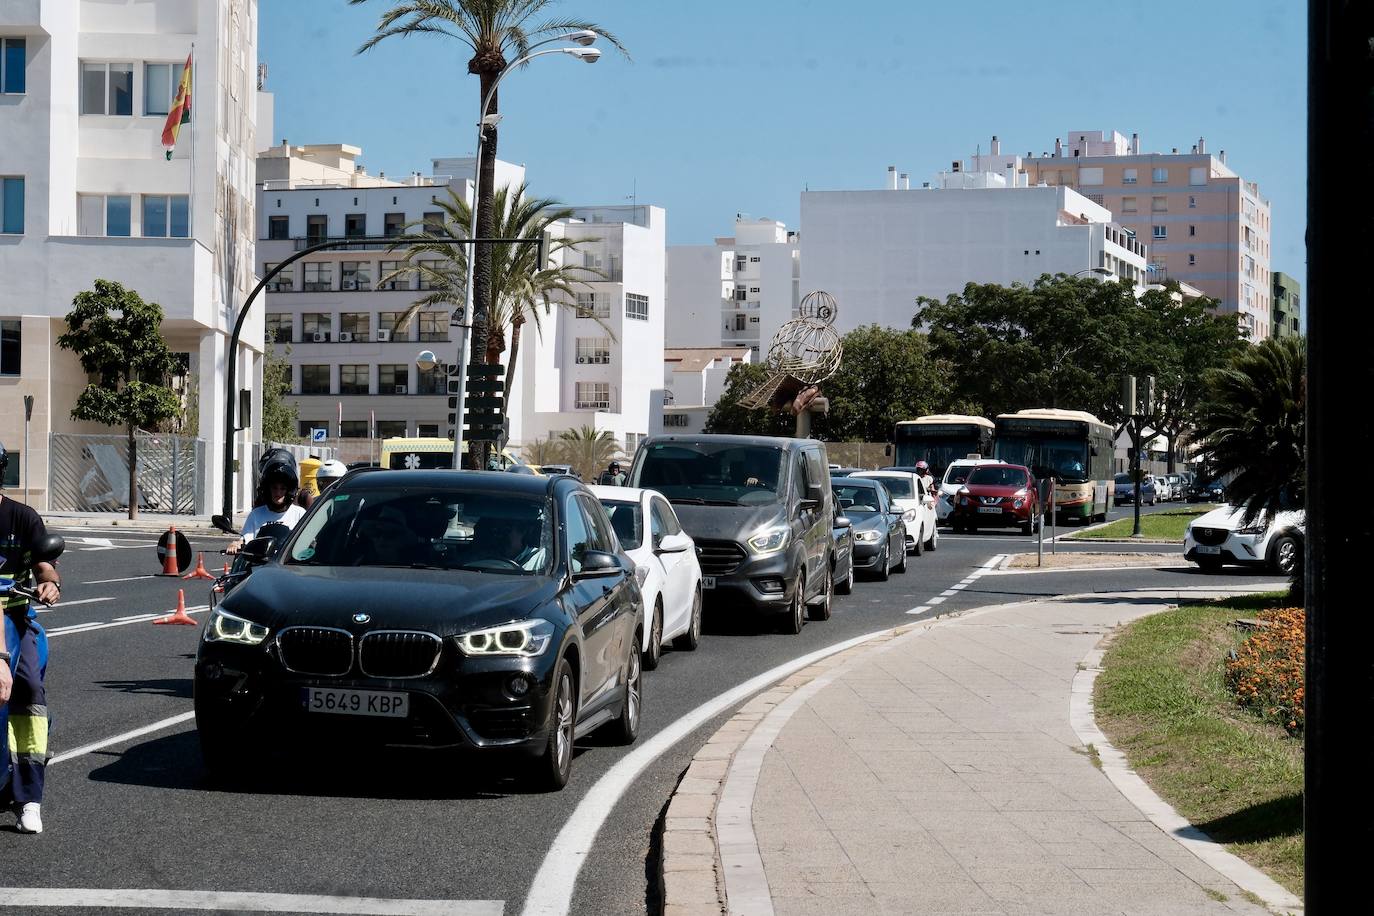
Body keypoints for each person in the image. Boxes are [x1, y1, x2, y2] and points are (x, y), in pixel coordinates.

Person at [0, 443, 61, 835]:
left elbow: (45, 565)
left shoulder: (21, 518)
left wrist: (49, 584)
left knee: (28, 688)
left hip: (13, 618)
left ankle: (29, 800)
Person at [227, 450, 306, 555]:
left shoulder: (299, 514)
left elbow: (307, 542)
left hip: (287, 566)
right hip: (259, 565)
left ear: (289, 491)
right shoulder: (256, 514)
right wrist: (236, 544)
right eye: (274, 488)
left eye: (282, 488)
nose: (278, 493)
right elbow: (245, 539)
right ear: (267, 489)